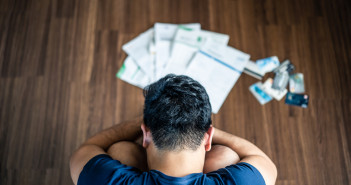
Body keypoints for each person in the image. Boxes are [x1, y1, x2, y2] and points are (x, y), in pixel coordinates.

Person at [70, 74, 277, 185]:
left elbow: (87, 149)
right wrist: (203, 128)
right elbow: (265, 164)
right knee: (226, 156)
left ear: (145, 134)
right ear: (208, 138)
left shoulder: (111, 180)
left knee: (120, 151)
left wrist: (147, 122)